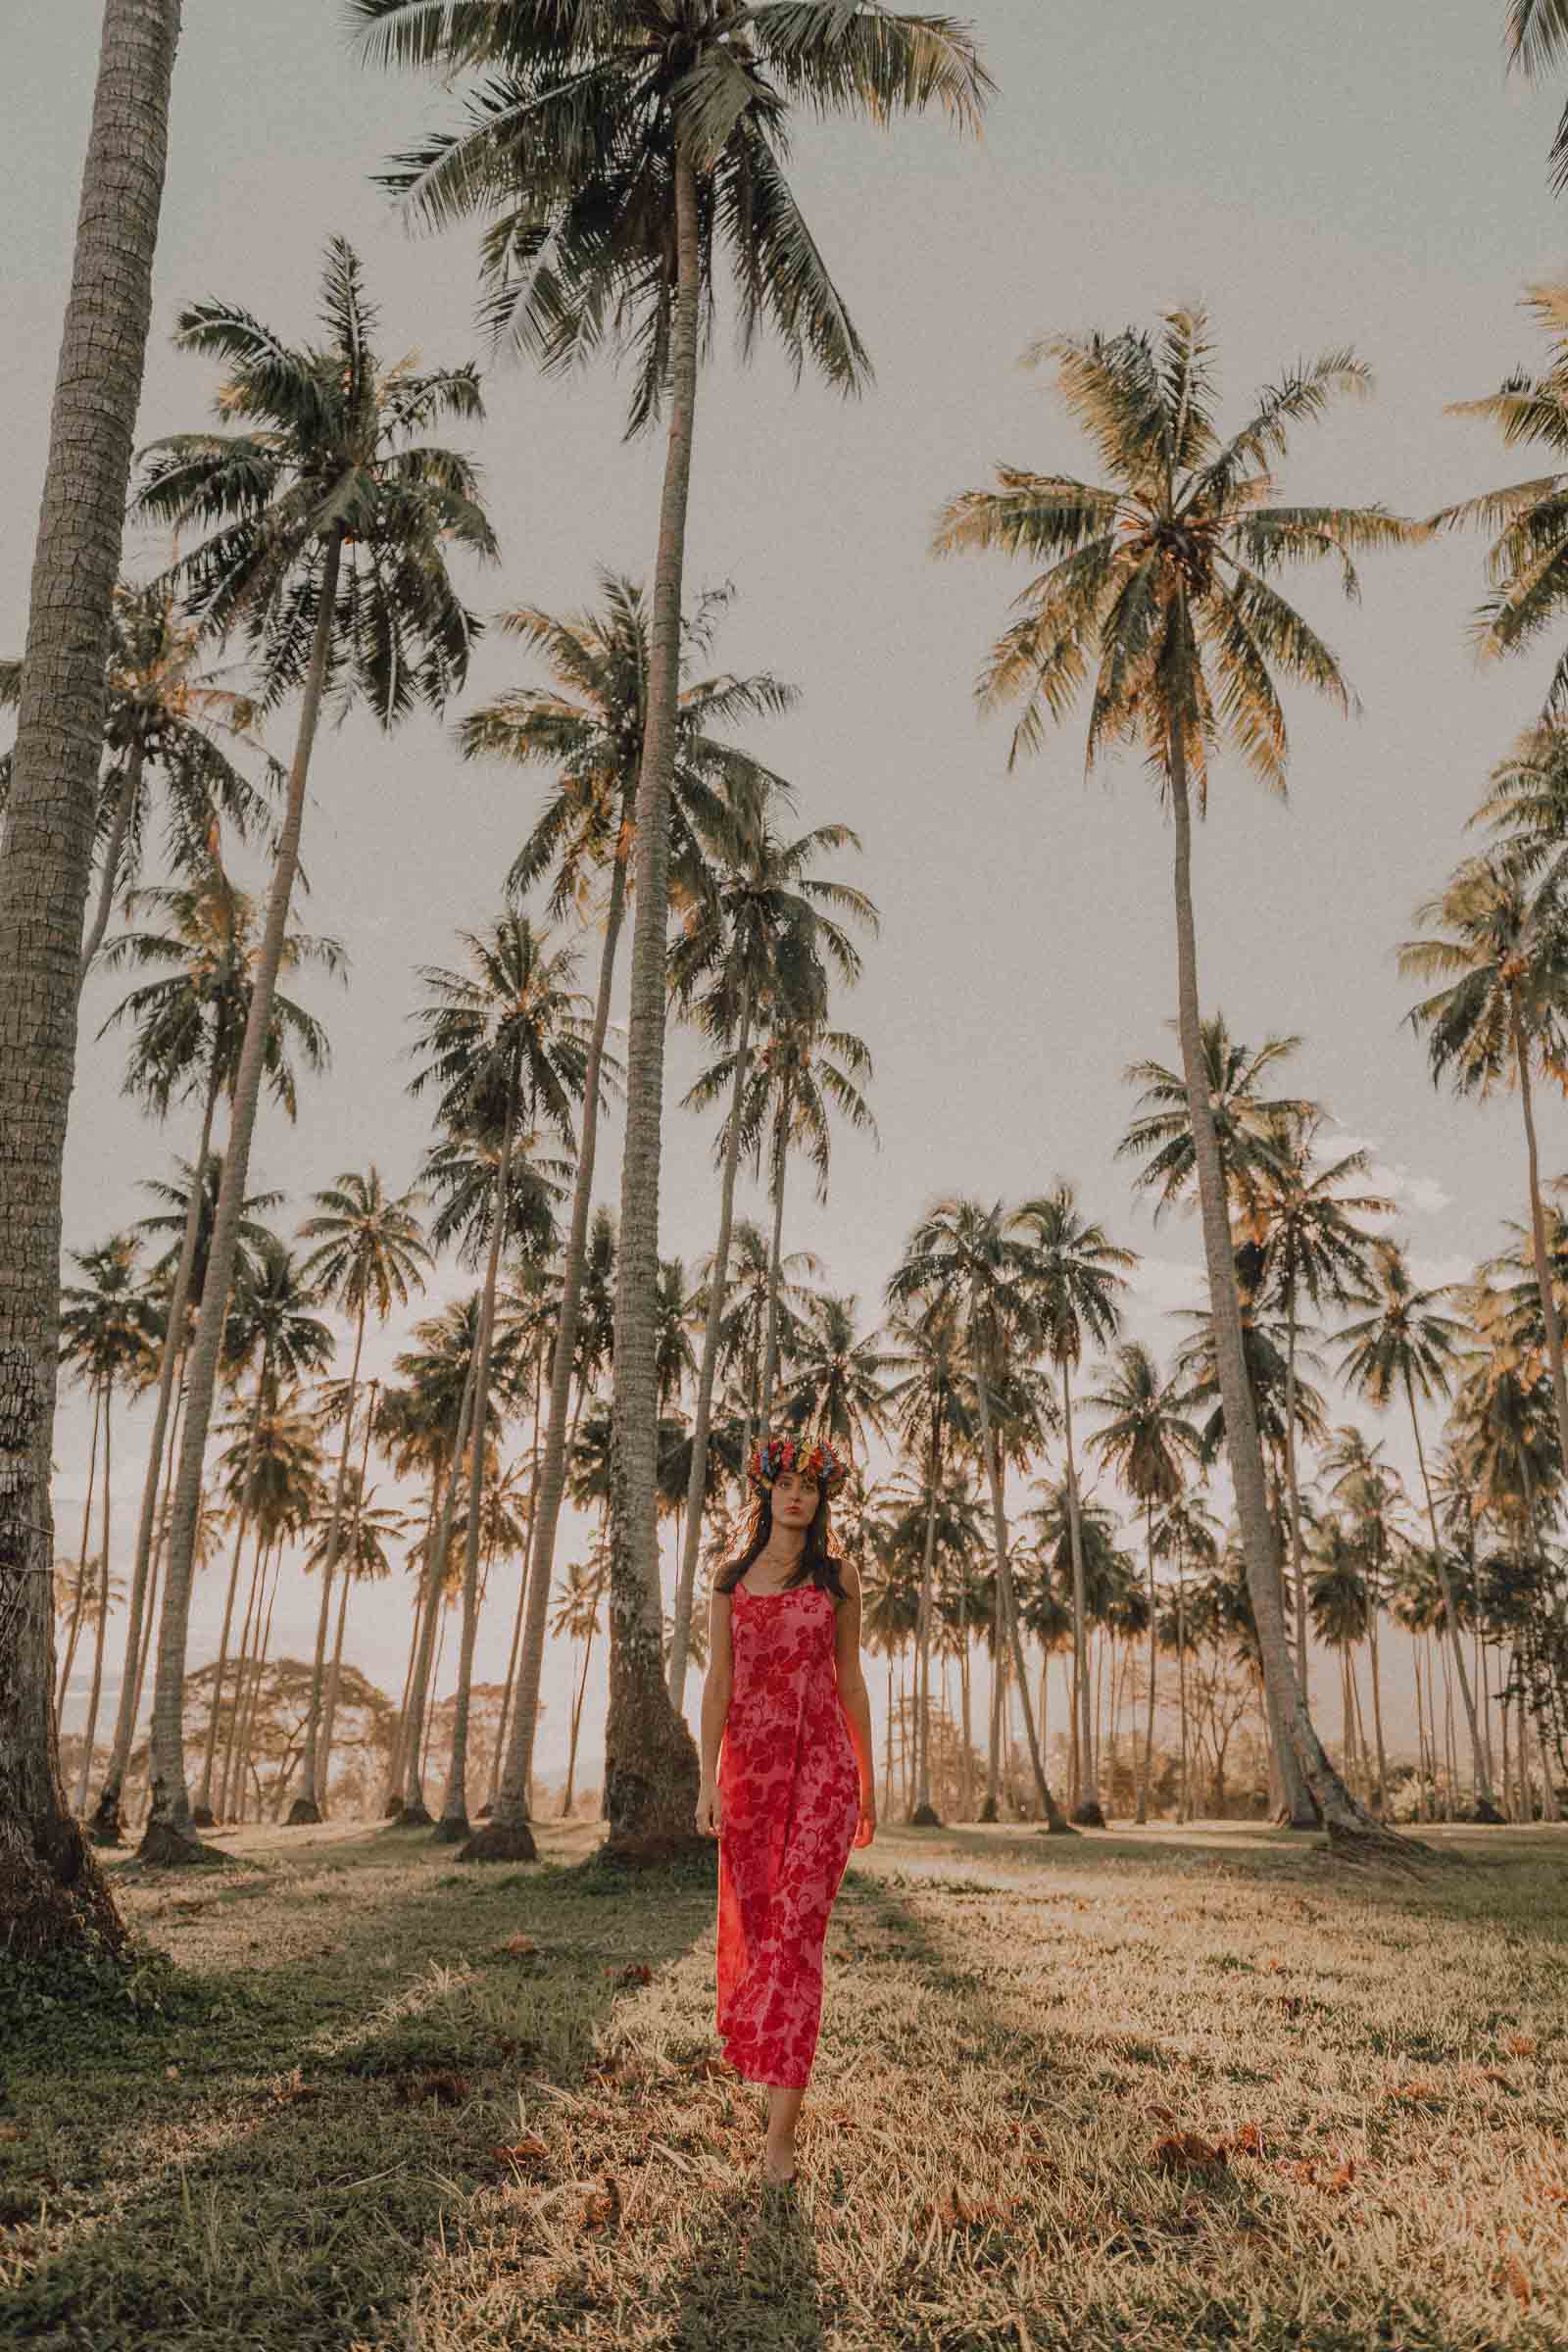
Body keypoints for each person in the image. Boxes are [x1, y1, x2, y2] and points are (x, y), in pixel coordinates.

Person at [696, 1434, 877, 2185]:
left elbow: (852, 1679)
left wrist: (869, 1778)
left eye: (810, 1485)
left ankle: (779, 2139)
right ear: (766, 1493)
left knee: (799, 1939)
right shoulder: (731, 1578)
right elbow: (716, 1682)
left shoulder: (837, 1576)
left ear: (822, 1495)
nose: (796, 1495)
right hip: (750, 1778)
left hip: (824, 1772)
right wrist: (706, 1779)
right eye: (785, 1484)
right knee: (764, 1933)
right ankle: (769, 2073)